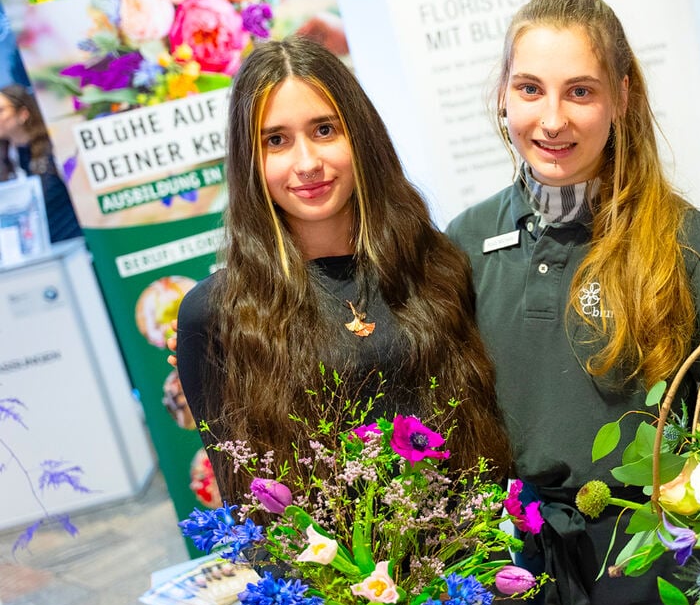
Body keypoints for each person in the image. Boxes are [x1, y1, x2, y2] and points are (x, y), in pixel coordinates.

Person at [445, 0, 700, 605]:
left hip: (660, 576)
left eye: (579, 91)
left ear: (622, 97)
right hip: (520, 577)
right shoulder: (461, 244)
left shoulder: (689, 245)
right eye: (530, 88)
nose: (552, 119)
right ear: (503, 94)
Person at [175, 35, 511, 507]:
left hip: (470, 568)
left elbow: (486, 433)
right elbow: (250, 508)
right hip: (327, 579)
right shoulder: (215, 314)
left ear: (360, 135)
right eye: (276, 140)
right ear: (250, 160)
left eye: (325, 130)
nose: (307, 162)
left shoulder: (436, 267)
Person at [0, 84, 83, 243]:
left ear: (23, 114)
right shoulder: (7, 159)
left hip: (75, 243)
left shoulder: (54, 148)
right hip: (40, 254)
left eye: (1, 111)